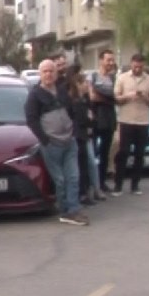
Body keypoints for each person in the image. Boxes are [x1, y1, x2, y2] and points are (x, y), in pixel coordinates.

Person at [27, 60, 89, 226]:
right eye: (45, 71)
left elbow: (73, 112)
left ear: (56, 73)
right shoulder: (35, 95)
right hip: (51, 145)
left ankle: (74, 210)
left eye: (51, 71)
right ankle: (64, 210)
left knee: (73, 177)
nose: (48, 74)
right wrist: (45, 140)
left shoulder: (62, 92)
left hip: (69, 142)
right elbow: (31, 120)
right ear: (40, 74)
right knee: (60, 180)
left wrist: (74, 132)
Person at [113, 53, 149, 196]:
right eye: (135, 66)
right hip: (126, 120)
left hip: (143, 121)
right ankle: (118, 185)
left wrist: (144, 97)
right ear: (131, 64)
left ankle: (135, 185)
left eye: (140, 66)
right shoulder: (122, 78)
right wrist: (128, 96)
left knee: (140, 154)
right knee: (123, 152)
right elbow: (116, 98)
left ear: (143, 65)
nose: (137, 69)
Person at [68, 70, 101, 206]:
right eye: (85, 83)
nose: (88, 85)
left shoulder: (84, 100)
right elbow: (82, 120)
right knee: (81, 166)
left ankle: (86, 191)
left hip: (84, 136)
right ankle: (82, 194)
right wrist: (90, 119)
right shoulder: (76, 102)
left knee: (86, 165)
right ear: (78, 84)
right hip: (79, 136)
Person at [88, 50, 118, 196]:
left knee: (105, 152)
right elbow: (92, 96)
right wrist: (108, 96)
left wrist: (103, 96)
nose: (111, 63)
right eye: (108, 60)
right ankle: (92, 183)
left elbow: (117, 96)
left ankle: (101, 182)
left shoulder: (114, 78)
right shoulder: (93, 76)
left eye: (112, 60)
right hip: (95, 119)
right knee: (92, 152)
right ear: (101, 61)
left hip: (109, 119)